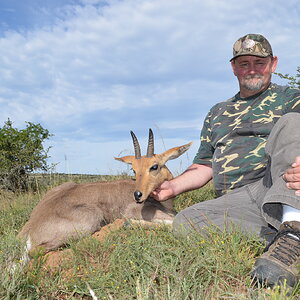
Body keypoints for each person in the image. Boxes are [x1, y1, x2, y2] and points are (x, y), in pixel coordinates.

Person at [152, 34, 300, 289]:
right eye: (244, 63)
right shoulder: (217, 112)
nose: (252, 69)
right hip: (237, 200)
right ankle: (280, 237)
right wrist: (172, 187)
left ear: (273, 64)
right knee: (186, 221)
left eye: (259, 62)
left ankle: (293, 232)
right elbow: (203, 165)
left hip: (276, 185)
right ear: (233, 67)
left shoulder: (291, 98)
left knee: (293, 122)